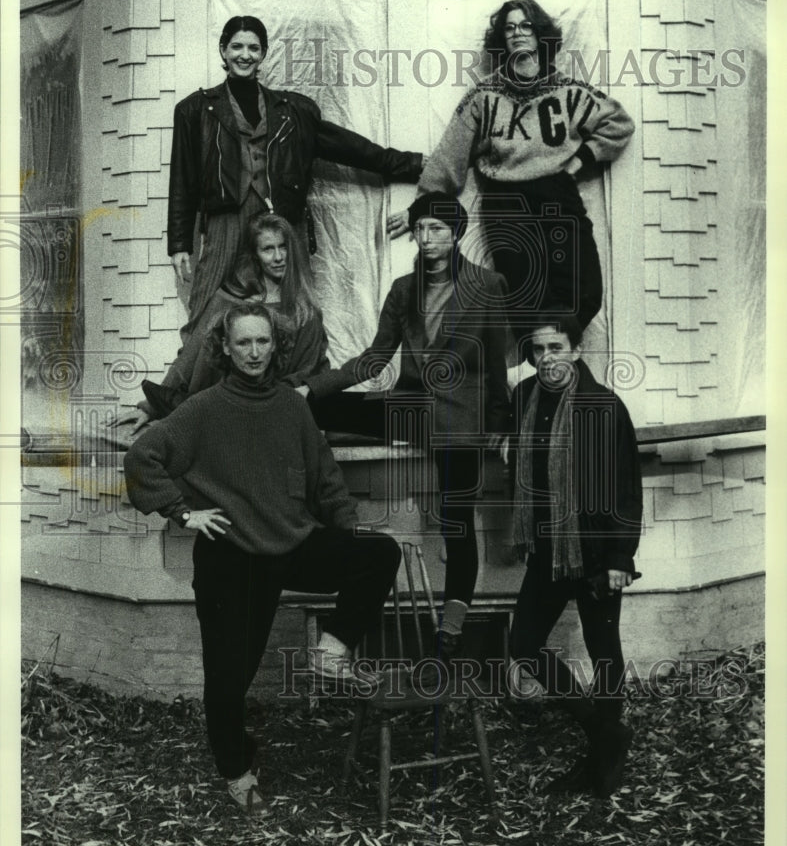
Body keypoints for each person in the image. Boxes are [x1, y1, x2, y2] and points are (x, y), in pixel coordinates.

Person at [123, 302, 401, 812]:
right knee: (229, 680)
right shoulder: (204, 408)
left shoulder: (293, 406)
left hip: (290, 544)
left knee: (378, 553)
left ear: (276, 346)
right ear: (226, 349)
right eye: (243, 342)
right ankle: (236, 769)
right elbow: (143, 457)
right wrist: (184, 515)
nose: (254, 352)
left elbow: (326, 480)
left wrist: (346, 534)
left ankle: (331, 648)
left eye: (263, 341)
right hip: (232, 559)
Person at [298, 192, 510, 664]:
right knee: (323, 409)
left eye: (437, 228)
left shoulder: (487, 285)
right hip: (413, 409)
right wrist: (313, 391)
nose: (427, 237)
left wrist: (499, 421)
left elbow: (496, 360)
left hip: (462, 420)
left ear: (455, 233)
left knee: (457, 524)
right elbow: (376, 358)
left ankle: (451, 629)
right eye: (420, 229)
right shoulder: (402, 289)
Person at [169, 14, 423, 342]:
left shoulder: (293, 111)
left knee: (296, 307)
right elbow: (182, 181)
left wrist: (414, 164)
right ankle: (186, 387)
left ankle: (301, 383)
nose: (244, 54)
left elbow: (352, 148)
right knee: (207, 310)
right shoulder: (195, 110)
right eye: (236, 47)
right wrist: (179, 243)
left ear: (263, 54)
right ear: (223, 50)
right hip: (225, 220)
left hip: (283, 218)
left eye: (253, 47)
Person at [397, 0, 634, 346]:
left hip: (558, 196)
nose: (517, 34)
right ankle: (539, 375)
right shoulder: (484, 95)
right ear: (501, 39)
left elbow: (619, 123)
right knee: (524, 301)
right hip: (507, 205)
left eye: (525, 26)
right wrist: (420, 208)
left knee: (585, 292)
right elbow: (450, 155)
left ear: (540, 35)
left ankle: (557, 358)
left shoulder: (568, 90)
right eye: (509, 28)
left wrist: (580, 160)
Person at [505, 311, 642, 797]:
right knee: (522, 643)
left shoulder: (601, 405)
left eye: (556, 348)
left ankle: (601, 769)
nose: (546, 359)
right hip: (548, 548)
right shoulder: (523, 398)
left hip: (596, 549)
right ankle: (605, 734)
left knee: (604, 650)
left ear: (577, 350)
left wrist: (619, 559)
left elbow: (626, 487)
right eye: (538, 350)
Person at [111, 213, 329, 434]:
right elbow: (193, 352)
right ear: (255, 255)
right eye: (268, 249)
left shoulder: (305, 310)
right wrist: (151, 407)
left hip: (274, 403)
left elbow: (307, 370)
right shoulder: (232, 297)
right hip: (224, 397)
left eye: (283, 247)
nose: (278, 257)